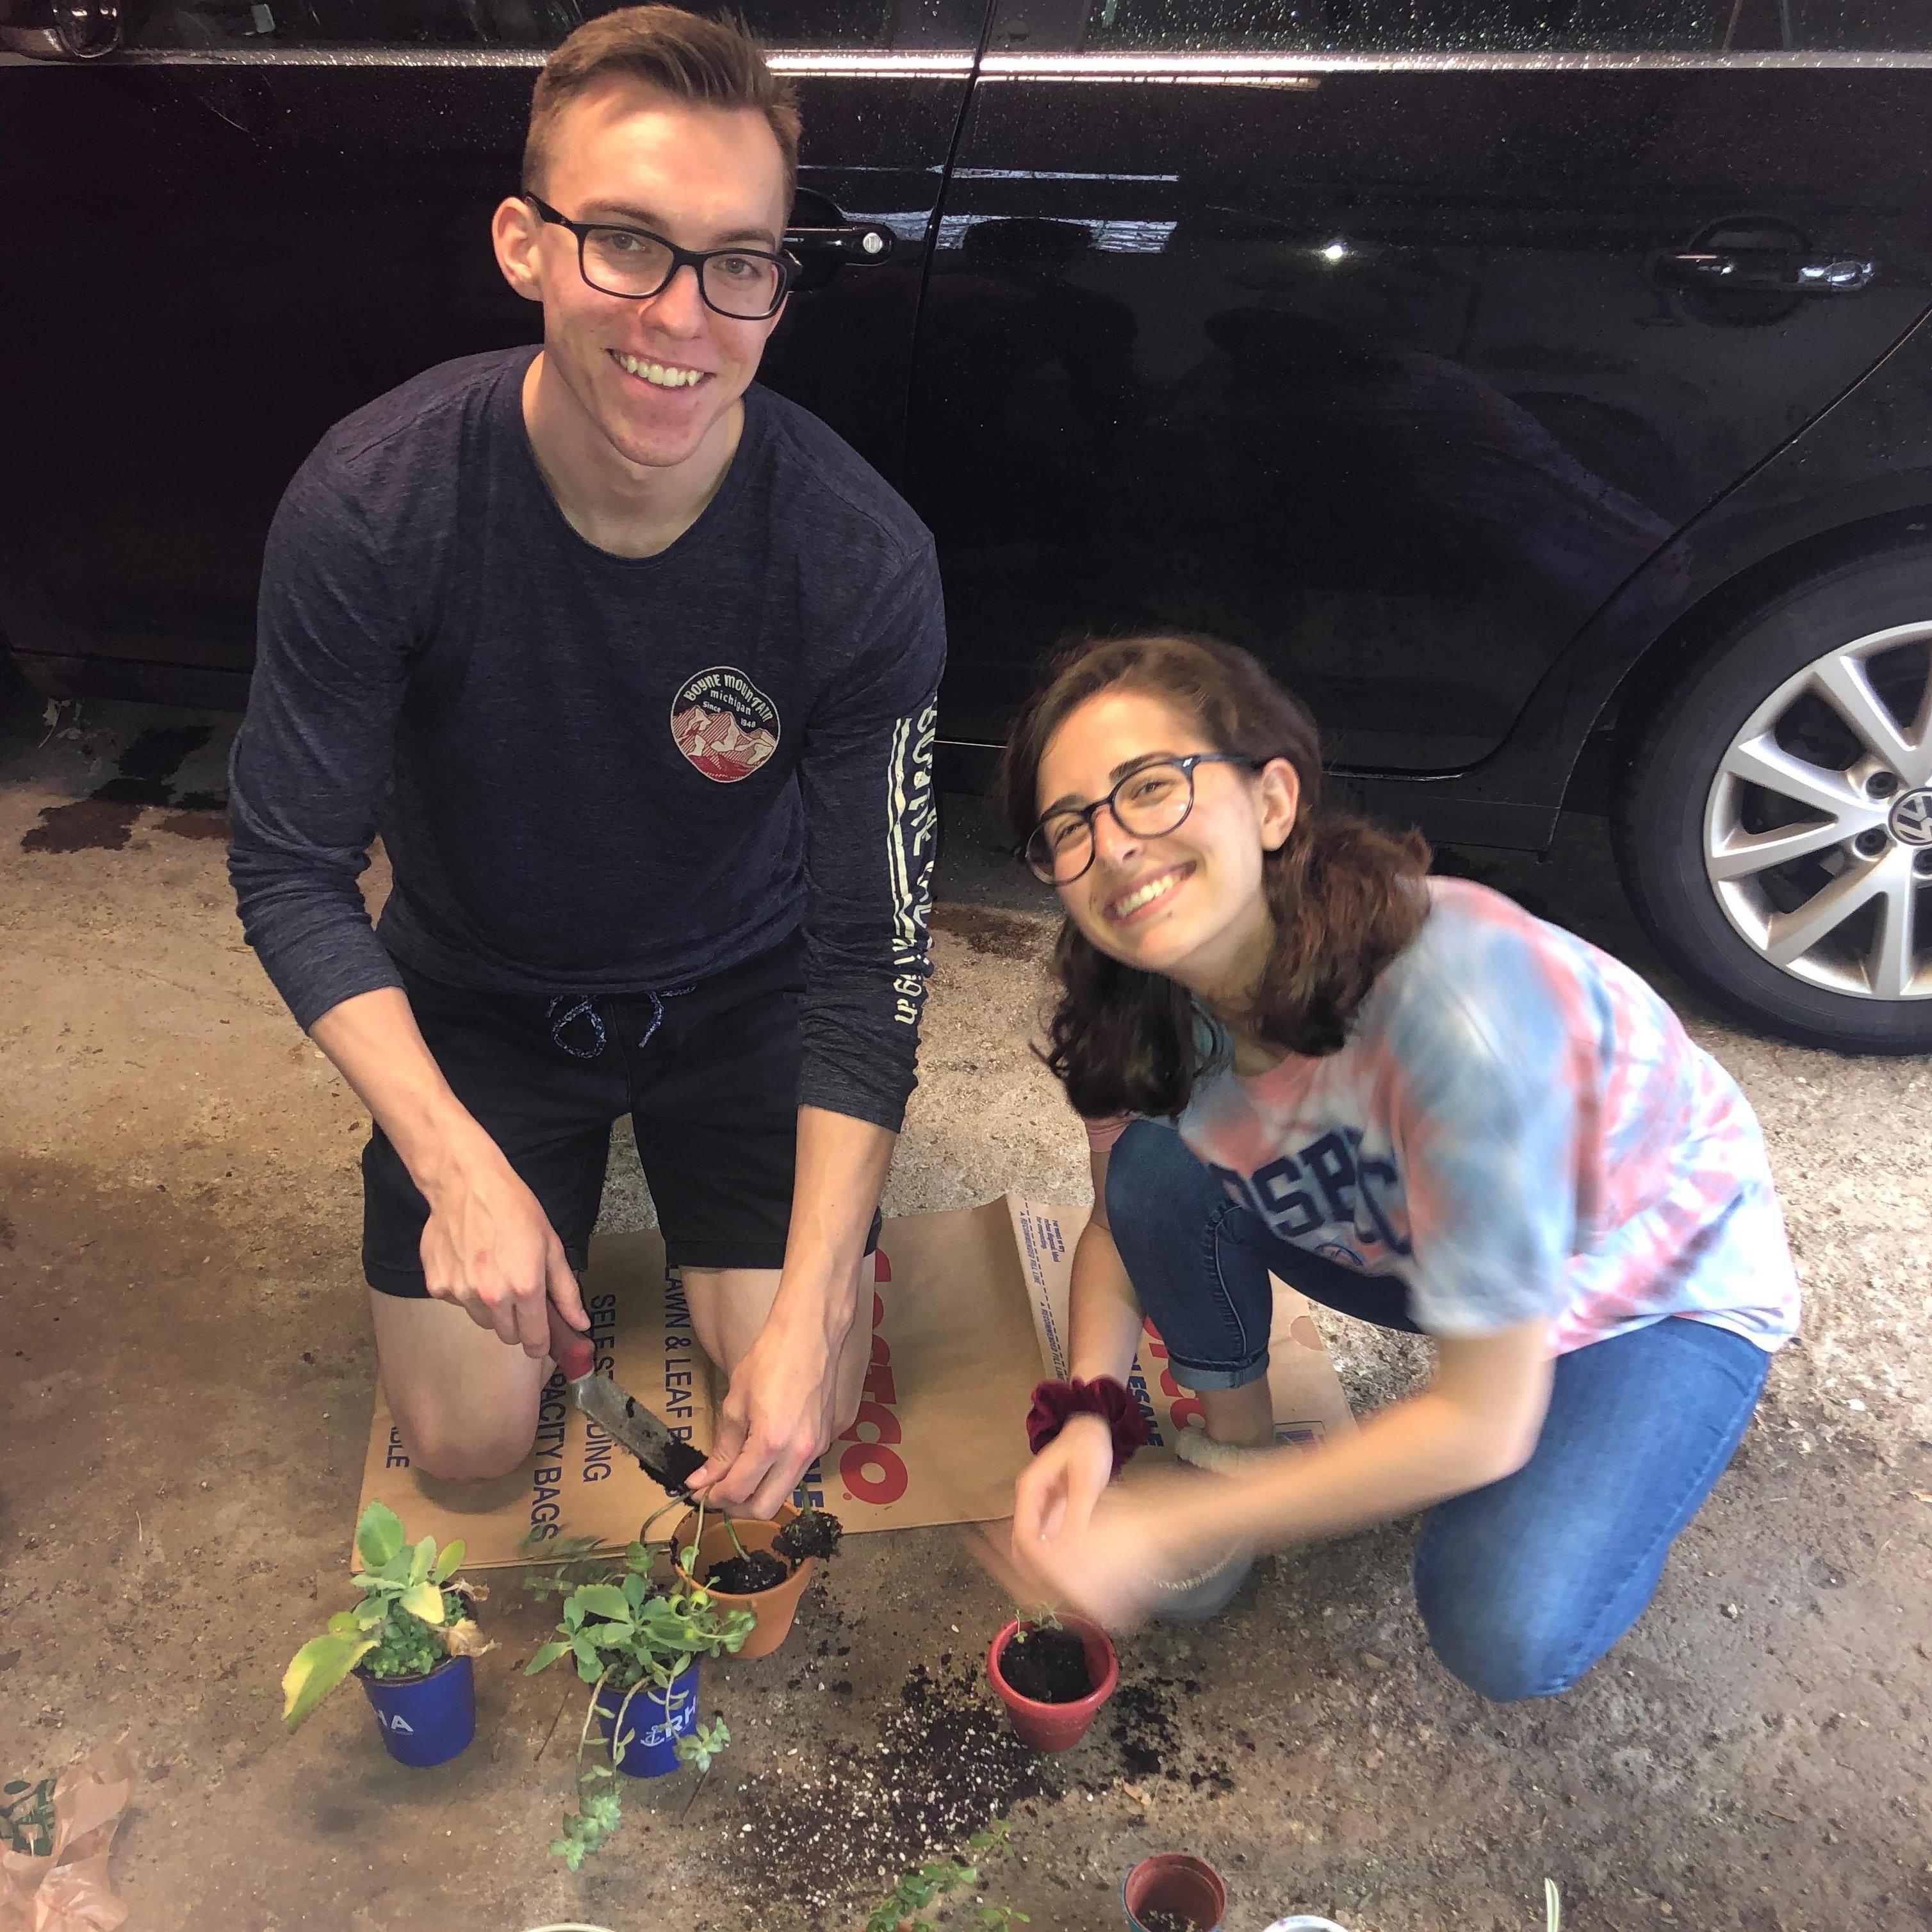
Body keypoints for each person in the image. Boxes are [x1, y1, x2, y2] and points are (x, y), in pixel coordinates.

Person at [227, 6, 942, 1521]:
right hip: (484, 990)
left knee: (789, 1417)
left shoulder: (860, 556)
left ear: (773, 284)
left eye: (737, 261)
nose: (681, 316)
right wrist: (453, 1162)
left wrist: (819, 1294)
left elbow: (869, 942)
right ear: (523, 243)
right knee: (471, 1446)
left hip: (741, 992)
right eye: (624, 242)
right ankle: (518, 1185)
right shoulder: (375, 503)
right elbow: (289, 866)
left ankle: (749, 1252)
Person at [999, 632, 1797, 1701]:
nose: (1117, 846)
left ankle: (1636, 1447)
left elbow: (1479, 1421)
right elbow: (1119, 1223)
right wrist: (1090, 1414)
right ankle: (1238, 1446)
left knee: (1509, 1622)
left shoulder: (1467, 1014)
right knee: (1152, 1167)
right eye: (1071, 827)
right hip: (1434, 1234)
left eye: (1152, 787)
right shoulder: (1157, 1001)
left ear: (1273, 802)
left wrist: (1168, 1523)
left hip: (1645, 1280)